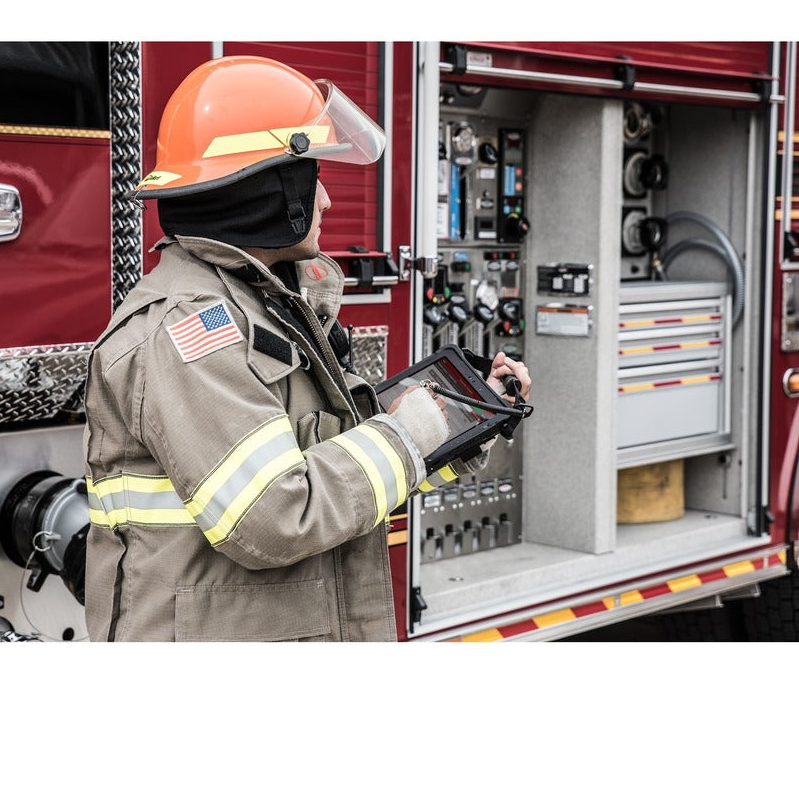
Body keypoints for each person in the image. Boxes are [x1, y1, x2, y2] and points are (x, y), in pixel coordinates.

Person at [82, 55, 531, 641]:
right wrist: (405, 434)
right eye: (311, 178)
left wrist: (455, 424)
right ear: (268, 191)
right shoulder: (189, 330)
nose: (325, 201)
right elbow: (276, 515)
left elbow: (343, 474)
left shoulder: (259, 305)